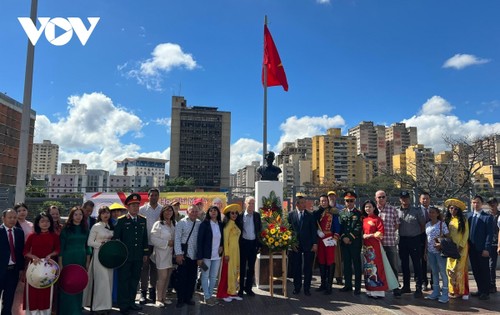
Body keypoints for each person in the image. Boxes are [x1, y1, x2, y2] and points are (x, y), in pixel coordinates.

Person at [113, 193, 149, 314]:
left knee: (134, 280)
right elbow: (116, 239)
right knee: (124, 280)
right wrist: (119, 255)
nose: (135, 207)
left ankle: (132, 302)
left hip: (138, 256)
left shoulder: (143, 220)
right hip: (125, 257)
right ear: (128, 207)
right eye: (132, 205)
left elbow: (145, 238)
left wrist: (145, 253)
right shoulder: (121, 221)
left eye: (137, 205)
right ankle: (123, 304)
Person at [23, 212, 60, 315]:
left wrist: (50, 255)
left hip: (48, 267)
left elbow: (57, 249)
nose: (45, 223)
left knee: (46, 290)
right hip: (34, 267)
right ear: (37, 223)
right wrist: (33, 257)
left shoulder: (54, 236)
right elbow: (25, 251)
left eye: (48, 221)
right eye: (42, 221)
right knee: (33, 292)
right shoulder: (32, 235)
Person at [58, 206, 91, 315]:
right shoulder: (66, 229)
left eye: (80, 214)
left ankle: (76, 311)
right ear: (71, 216)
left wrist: (87, 261)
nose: (78, 217)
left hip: (81, 259)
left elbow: (88, 247)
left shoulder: (85, 229)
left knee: (78, 284)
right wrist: (60, 263)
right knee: (66, 284)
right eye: (75, 214)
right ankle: (64, 311)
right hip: (67, 259)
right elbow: (61, 247)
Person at [83, 206, 114, 314]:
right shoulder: (96, 226)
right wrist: (101, 245)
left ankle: (106, 306)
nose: (106, 215)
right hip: (98, 255)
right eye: (103, 213)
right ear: (100, 215)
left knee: (109, 281)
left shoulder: (110, 226)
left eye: (108, 213)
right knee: (101, 281)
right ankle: (97, 307)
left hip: (109, 257)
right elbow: (90, 242)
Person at [398, 190, 425, 298]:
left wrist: (417, 236)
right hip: (403, 240)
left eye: (406, 198)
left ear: (409, 199)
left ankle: (418, 287)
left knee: (416, 264)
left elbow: (422, 225)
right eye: (402, 198)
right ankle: (406, 286)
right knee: (404, 264)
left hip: (414, 240)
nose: (404, 200)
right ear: (400, 199)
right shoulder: (397, 211)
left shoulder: (416, 211)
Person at [289, 195, 317, 296]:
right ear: (297, 204)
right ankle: (297, 288)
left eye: (305, 202)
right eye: (302, 202)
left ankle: (307, 288)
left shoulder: (310, 215)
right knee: (296, 267)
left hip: (308, 245)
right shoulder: (291, 215)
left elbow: (314, 230)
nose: (304, 204)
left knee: (308, 268)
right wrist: (291, 243)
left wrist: (314, 243)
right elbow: (289, 230)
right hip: (296, 245)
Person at [468, 195, 494, 300]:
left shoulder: (487, 217)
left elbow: (489, 234)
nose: (475, 204)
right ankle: (480, 289)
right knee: (475, 270)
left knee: (484, 270)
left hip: (482, 249)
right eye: (474, 202)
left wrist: (486, 248)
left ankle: (486, 292)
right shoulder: (469, 216)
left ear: (482, 203)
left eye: (478, 202)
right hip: (472, 249)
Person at [375, 190, 401, 297]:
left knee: (393, 265)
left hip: (390, 242)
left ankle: (395, 287)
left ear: (386, 197)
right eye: (379, 197)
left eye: (383, 197)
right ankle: (379, 287)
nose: (381, 199)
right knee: (377, 266)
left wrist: (389, 232)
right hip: (376, 244)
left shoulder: (392, 209)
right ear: (375, 198)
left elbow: (397, 224)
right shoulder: (373, 210)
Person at [174, 205, 200, 308]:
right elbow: (177, 239)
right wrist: (178, 254)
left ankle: (188, 298)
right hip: (184, 255)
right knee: (182, 279)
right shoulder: (181, 223)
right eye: (192, 211)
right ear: (187, 212)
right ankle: (180, 299)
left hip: (195, 256)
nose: (194, 213)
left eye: (195, 211)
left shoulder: (199, 223)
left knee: (192, 279)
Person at [138, 188, 162, 305]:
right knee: (144, 268)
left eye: (156, 195)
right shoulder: (142, 210)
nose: (154, 197)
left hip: (157, 244)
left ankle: (152, 291)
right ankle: (143, 292)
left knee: (155, 268)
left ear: (158, 197)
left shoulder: (162, 210)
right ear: (148, 196)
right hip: (145, 243)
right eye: (151, 195)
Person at [361, 200, 389, 299]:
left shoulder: (377, 219)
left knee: (376, 267)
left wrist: (370, 235)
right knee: (367, 268)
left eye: (369, 207)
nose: (367, 209)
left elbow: (381, 233)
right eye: (366, 207)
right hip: (366, 248)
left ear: (374, 208)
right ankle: (369, 290)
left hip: (375, 247)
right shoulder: (363, 219)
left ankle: (379, 291)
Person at [197, 205, 223, 306]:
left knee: (213, 277)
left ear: (218, 213)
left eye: (215, 211)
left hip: (217, 256)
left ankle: (210, 295)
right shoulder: (204, 224)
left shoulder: (220, 224)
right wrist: (199, 257)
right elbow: (200, 241)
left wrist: (222, 245)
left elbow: (222, 238)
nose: (213, 212)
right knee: (205, 276)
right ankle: (206, 297)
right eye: (211, 211)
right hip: (206, 256)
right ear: (208, 213)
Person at [150, 205, 176, 307]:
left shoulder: (174, 223)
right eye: (166, 211)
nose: (168, 212)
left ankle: (164, 297)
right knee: (162, 277)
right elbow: (153, 239)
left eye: (170, 210)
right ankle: (158, 298)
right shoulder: (158, 224)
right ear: (162, 212)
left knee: (168, 277)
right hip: (161, 254)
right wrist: (166, 243)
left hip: (171, 255)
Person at [444, 198, 470, 300]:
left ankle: (461, 291)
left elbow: (466, 234)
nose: (453, 210)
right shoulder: (447, 220)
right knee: (450, 269)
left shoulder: (463, 220)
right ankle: (452, 290)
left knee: (460, 269)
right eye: (451, 208)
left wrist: (461, 246)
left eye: (455, 209)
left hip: (461, 248)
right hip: (450, 248)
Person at [314, 194, 340, 294]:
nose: (323, 202)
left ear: (328, 201)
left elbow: (337, 226)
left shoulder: (333, 212)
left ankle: (329, 286)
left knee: (330, 261)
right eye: (321, 201)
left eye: (325, 200)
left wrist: (335, 238)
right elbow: (314, 225)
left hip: (330, 239)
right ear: (319, 202)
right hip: (320, 240)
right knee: (321, 261)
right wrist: (317, 232)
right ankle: (323, 284)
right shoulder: (316, 212)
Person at [1, 209, 25, 315]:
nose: (12, 220)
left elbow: (20, 253)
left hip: (13, 271)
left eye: (15, 217)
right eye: (10, 217)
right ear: (3, 218)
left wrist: (21, 269)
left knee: (9, 300)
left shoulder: (19, 232)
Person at [217, 204, 242, 302]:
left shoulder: (235, 224)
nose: (235, 215)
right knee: (228, 273)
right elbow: (225, 241)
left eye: (236, 213)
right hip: (229, 253)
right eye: (232, 213)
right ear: (228, 214)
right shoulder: (227, 226)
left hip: (236, 251)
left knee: (235, 272)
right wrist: (226, 254)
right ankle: (224, 293)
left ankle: (233, 292)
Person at [237, 196, 261, 297]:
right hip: (243, 244)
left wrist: (259, 245)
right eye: (249, 203)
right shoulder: (240, 216)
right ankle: (241, 289)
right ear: (245, 204)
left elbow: (259, 230)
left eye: (253, 203)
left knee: (251, 268)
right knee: (242, 267)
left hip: (253, 244)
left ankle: (249, 288)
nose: (251, 205)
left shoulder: (257, 215)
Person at [339, 191, 362, 295]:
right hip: (344, 243)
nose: (349, 203)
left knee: (356, 265)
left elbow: (358, 227)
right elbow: (340, 227)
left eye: (351, 200)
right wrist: (344, 237)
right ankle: (347, 285)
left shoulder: (359, 213)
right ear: (344, 201)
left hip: (355, 243)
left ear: (354, 201)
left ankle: (357, 287)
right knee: (347, 264)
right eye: (347, 201)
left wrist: (350, 238)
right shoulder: (341, 213)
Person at [424, 207, 449, 303]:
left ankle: (445, 293)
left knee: (443, 272)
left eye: (433, 212)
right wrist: (425, 251)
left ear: (437, 214)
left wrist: (441, 244)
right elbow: (427, 239)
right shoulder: (427, 225)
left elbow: (448, 237)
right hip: (431, 252)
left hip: (440, 252)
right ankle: (436, 291)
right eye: (430, 212)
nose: (431, 214)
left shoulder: (442, 224)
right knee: (434, 271)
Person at [328, 191, 344, 285]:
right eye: (330, 196)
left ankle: (338, 276)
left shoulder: (341, 208)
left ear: (336, 196)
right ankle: (328, 277)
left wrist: (338, 235)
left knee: (337, 258)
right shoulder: (325, 208)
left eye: (333, 195)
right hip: (326, 237)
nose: (331, 197)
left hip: (336, 236)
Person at [418, 192, 432, 291]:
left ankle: (434, 282)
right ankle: (424, 282)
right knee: (422, 261)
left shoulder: (434, 211)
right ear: (420, 200)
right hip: (421, 238)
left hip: (432, 238)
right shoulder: (416, 211)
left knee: (433, 262)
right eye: (423, 199)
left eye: (427, 198)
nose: (425, 200)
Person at [487, 197, 499, 293]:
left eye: (493, 203)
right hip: (489, 243)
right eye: (490, 203)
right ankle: (491, 285)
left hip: (498, 243)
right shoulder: (487, 216)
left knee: (492, 265)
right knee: (490, 265)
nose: (492, 205)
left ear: (497, 204)